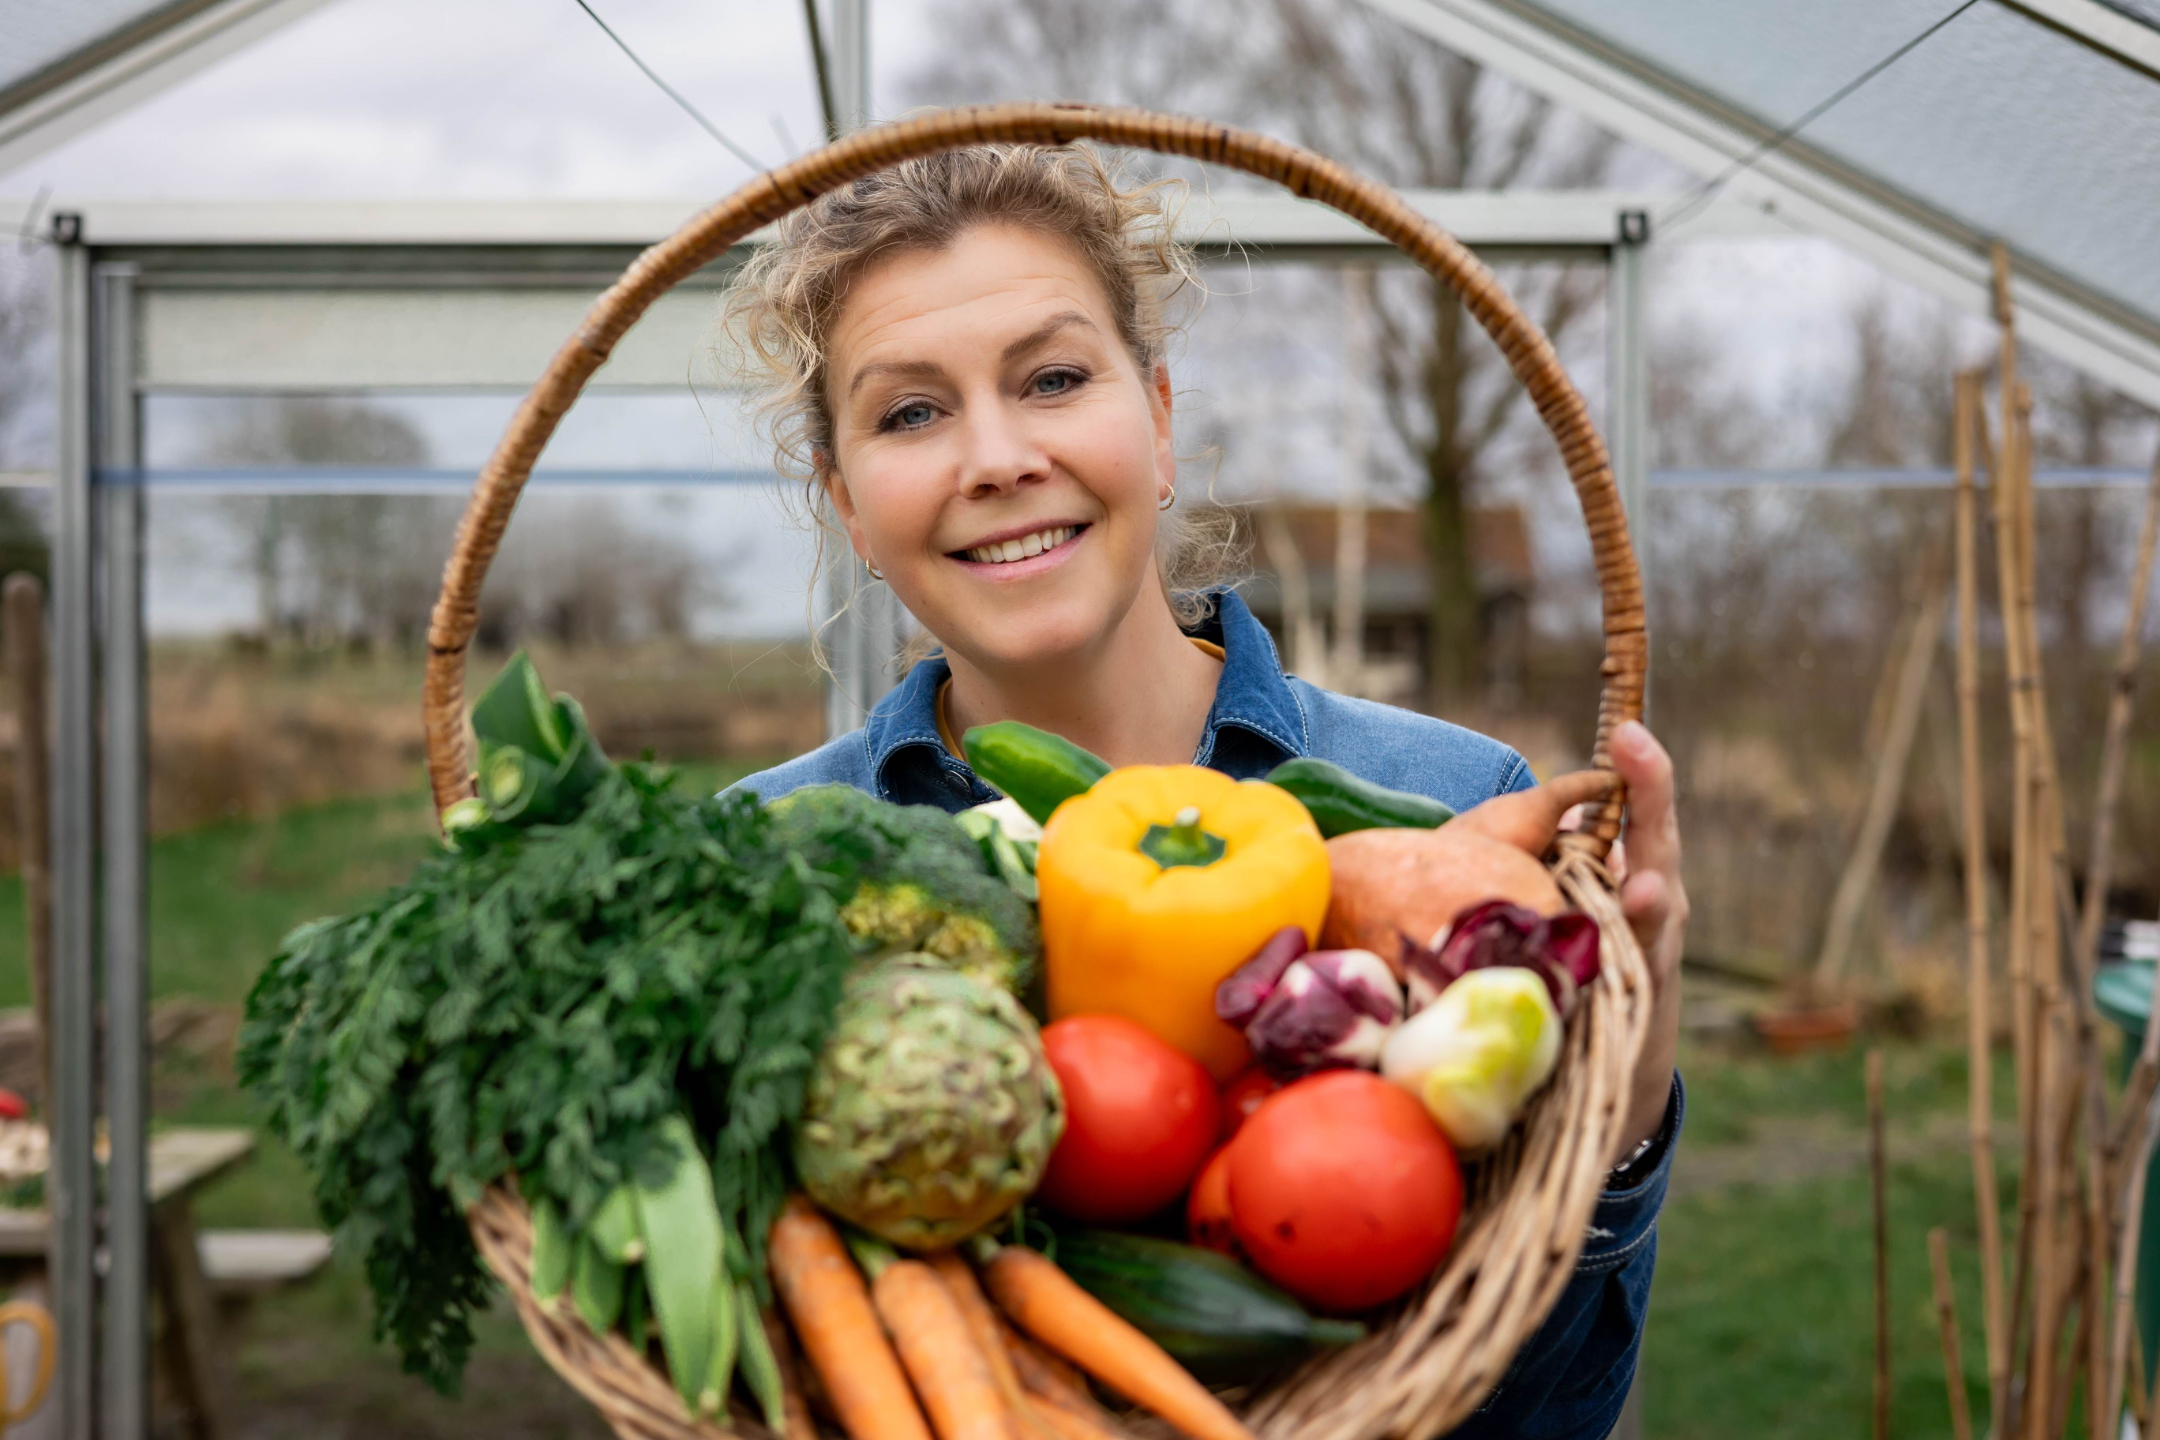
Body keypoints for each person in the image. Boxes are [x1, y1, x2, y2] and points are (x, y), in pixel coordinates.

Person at [726, 145, 1685, 1438]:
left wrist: (1616, 1122)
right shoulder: (751, 867)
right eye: (910, 413)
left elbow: (1543, 1416)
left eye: (1054, 378)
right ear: (847, 503)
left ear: (1161, 422)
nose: (997, 456)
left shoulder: (1455, 806)